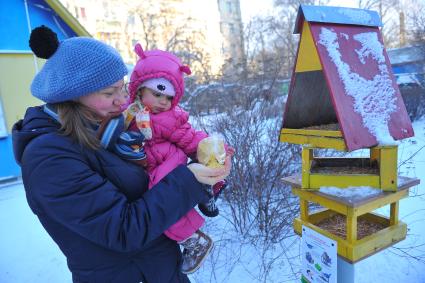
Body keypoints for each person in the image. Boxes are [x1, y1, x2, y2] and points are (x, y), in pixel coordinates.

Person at [12, 25, 231, 283]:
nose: (122, 99)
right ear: (71, 96)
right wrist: (190, 179)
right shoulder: (48, 159)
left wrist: (199, 158)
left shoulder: (109, 128)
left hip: (159, 270)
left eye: (122, 88)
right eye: (109, 92)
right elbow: (124, 229)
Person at [97, 43, 234, 274]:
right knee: (151, 201)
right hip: (149, 163)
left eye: (169, 97)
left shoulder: (168, 118)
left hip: (168, 163)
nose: (163, 101)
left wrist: (213, 150)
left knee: (160, 198)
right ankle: (203, 200)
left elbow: (189, 138)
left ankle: (193, 239)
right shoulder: (130, 112)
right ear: (139, 89)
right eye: (157, 93)